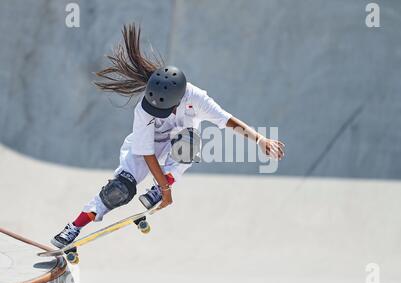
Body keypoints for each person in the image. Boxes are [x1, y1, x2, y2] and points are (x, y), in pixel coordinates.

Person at [51, 24, 285, 248]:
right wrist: (165, 189)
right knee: (119, 191)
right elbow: (146, 152)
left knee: (190, 144)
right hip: (146, 149)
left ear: (179, 100)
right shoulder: (143, 110)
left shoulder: (197, 98)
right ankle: (74, 226)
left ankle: (160, 185)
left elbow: (227, 119)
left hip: (178, 144)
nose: (161, 114)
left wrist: (260, 139)